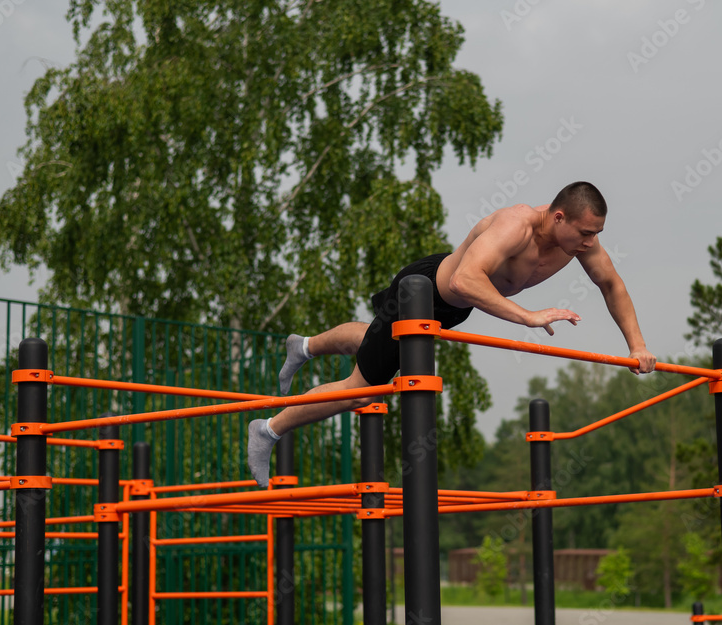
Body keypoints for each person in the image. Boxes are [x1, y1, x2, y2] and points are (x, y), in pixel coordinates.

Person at [247, 181, 657, 487]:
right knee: (363, 390)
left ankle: (304, 346)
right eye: (586, 232)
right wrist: (527, 316)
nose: (591, 242)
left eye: (597, 234)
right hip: (422, 293)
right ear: (558, 216)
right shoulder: (515, 225)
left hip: (449, 308)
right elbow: (465, 279)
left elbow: (612, 286)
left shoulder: (582, 246)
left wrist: (637, 345)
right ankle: (268, 429)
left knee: (377, 341)